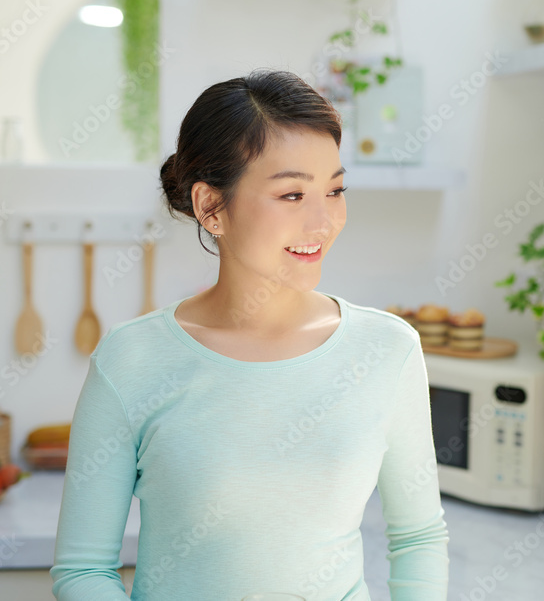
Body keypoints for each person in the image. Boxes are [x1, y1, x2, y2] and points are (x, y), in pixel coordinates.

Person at [49, 69, 450, 600]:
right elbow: (83, 571)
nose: (323, 221)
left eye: (335, 190)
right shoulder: (131, 360)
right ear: (210, 207)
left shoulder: (387, 350)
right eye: (291, 195)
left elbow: (418, 537)